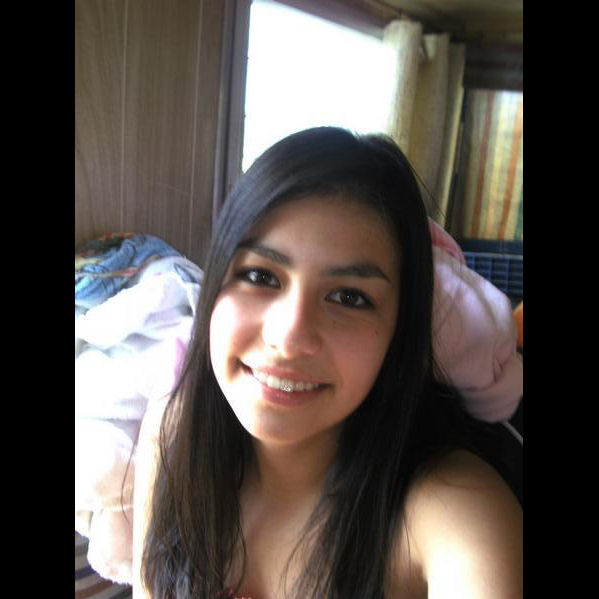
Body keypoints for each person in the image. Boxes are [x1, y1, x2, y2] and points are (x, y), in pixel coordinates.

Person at [133, 127, 522, 598]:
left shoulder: (455, 511)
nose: (289, 338)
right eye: (260, 275)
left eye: (349, 297)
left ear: (399, 330)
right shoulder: (173, 432)